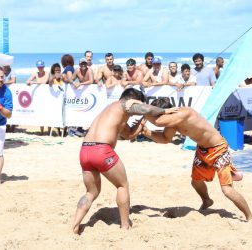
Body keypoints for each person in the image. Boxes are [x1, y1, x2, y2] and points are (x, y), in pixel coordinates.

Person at [72, 88, 178, 234]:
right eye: (138, 102)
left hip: (85, 150)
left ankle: (74, 226)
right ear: (132, 99)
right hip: (102, 151)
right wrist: (165, 111)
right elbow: (145, 108)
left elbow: (128, 134)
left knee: (91, 192)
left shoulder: (111, 110)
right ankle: (125, 226)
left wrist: (141, 123)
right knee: (122, 185)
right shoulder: (124, 105)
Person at [142, 98, 252, 221]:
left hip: (219, 149)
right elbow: (165, 139)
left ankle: (250, 216)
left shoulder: (184, 112)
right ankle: (207, 200)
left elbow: (158, 122)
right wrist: (146, 132)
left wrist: (139, 109)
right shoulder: (172, 122)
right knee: (196, 182)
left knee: (227, 190)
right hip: (203, 150)